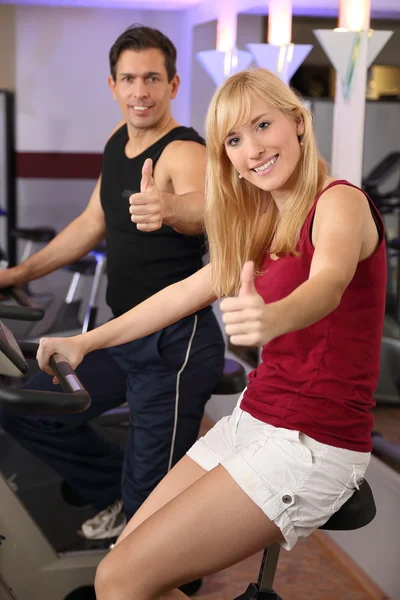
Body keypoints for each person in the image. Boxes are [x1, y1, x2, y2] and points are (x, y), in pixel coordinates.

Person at [36, 67, 386, 600]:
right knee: (125, 565)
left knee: (119, 581)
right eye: (234, 140)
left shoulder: (340, 201)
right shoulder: (263, 220)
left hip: (313, 441)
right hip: (256, 419)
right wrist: (86, 341)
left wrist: (276, 317)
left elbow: (330, 284)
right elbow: (183, 294)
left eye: (262, 125)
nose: (253, 149)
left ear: (296, 122)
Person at [0, 23, 225, 560]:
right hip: (120, 331)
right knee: (26, 411)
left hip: (175, 345)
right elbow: (89, 223)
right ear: (112, 84)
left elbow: (204, 207)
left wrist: (170, 208)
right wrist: (11, 277)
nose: (140, 91)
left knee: (156, 507)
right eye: (129, 78)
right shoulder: (116, 143)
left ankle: (165, 564)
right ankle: (117, 495)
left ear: (172, 85)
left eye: (152, 78)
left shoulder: (183, 149)